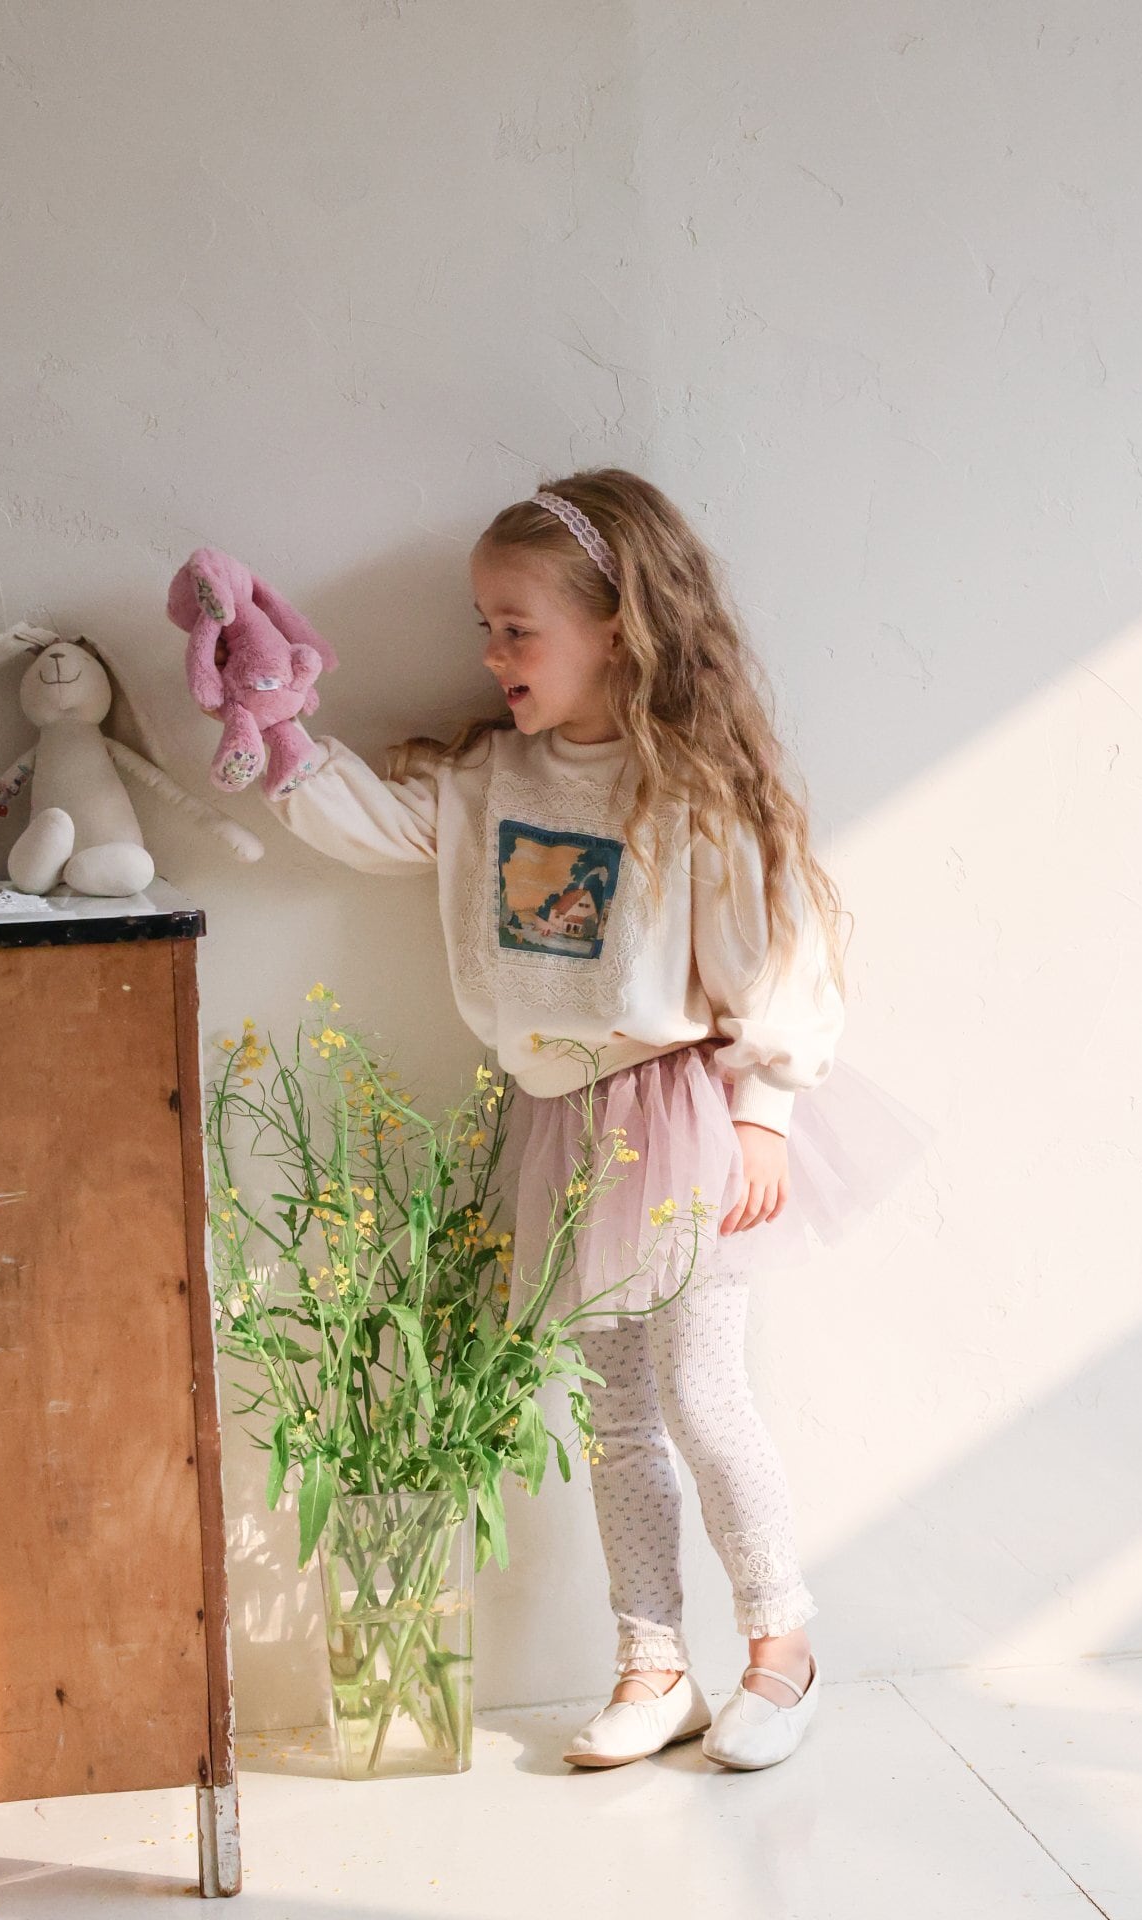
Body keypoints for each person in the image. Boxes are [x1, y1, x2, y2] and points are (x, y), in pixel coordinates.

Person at [260, 468, 935, 1772]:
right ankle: (653, 1660)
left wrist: (765, 1111)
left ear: (617, 629)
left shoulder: (687, 787)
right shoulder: (492, 780)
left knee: (702, 1393)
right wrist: (277, 736)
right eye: (484, 626)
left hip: (683, 1118)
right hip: (563, 1126)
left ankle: (783, 1647)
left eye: (517, 626)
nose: (491, 652)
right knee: (614, 1415)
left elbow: (777, 950)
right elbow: (374, 824)